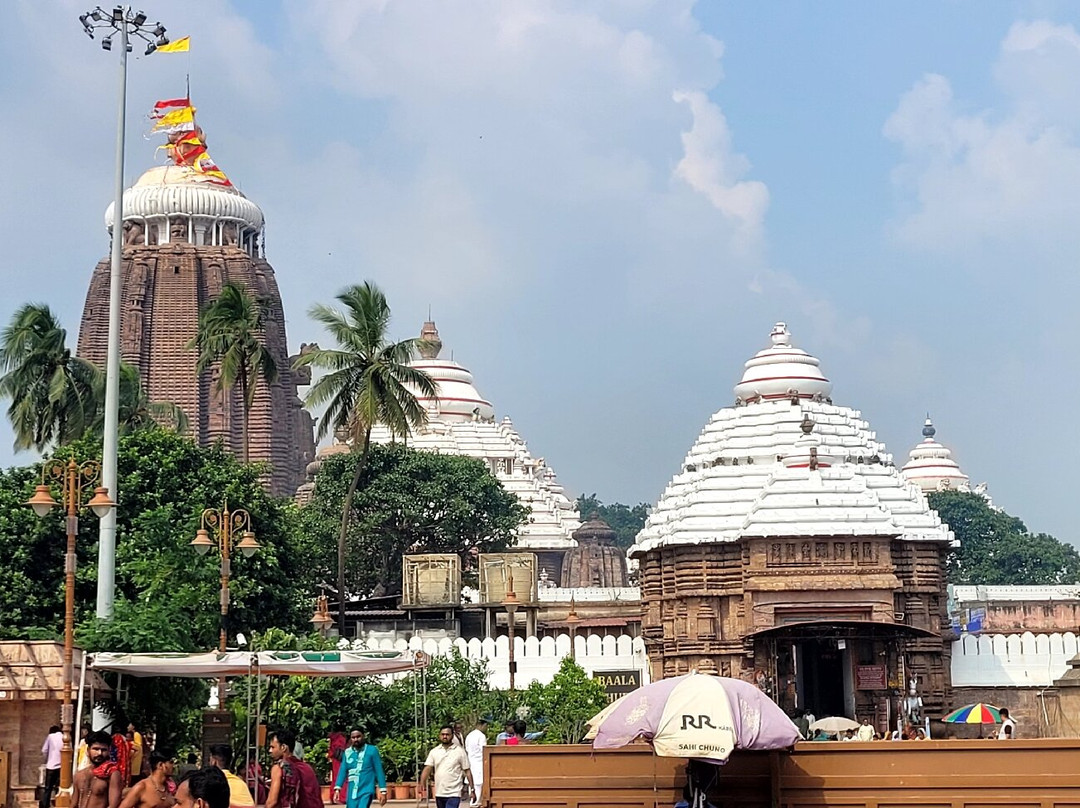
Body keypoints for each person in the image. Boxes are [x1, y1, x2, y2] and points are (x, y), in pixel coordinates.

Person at [418, 725, 475, 808]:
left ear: (452, 736)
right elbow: (427, 768)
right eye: (443, 734)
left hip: (454, 793)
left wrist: (472, 789)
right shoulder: (434, 752)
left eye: (447, 734)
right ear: (439, 735)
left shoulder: (460, 752)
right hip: (439, 792)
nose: (445, 736)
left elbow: (467, 771)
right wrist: (422, 783)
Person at [332, 728, 386, 808]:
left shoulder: (372, 750)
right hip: (352, 790)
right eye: (353, 738)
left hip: (366, 789)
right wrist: (337, 789)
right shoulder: (347, 752)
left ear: (363, 736)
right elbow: (342, 771)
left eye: (358, 737)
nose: (356, 739)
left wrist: (383, 791)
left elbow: (379, 771)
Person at [265, 730, 319, 808]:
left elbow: (272, 802)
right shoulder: (307, 767)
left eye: (272, 747)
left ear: (283, 747)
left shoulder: (278, 768)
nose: (270, 750)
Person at [72, 731, 125, 808]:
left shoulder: (112, 774)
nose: (100, 753)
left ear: (109, 751)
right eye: (96, 749)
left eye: (104, 750)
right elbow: (73, 804)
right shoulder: (79, 775)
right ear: (88, 750)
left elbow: (113, 805)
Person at [463, 718, 489, 807]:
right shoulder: (481, 736)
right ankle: (476, 802)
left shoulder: (469, 735)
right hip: (479, 761)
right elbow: (484, 750)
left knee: (472, 784)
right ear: (482, 725)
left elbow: (466, 749)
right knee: (479, 783)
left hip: (471, 761)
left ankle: (472, 801)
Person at [40, 724, 63, 808]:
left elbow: (44, 750)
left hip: (51, 765)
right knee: (59, 787)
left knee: (48, 788)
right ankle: (58, 803)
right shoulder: (65, 737)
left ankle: (45, 805)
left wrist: (46, 759)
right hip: (62, 766)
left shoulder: (50, 737)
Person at [326, 731, 346, 799]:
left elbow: (331, 750)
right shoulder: (341, 738)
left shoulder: (333, 738)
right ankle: (342, 797)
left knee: (335, 777)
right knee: (343, 777)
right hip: (342, 760)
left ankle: (333, 796)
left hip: (335, 760)